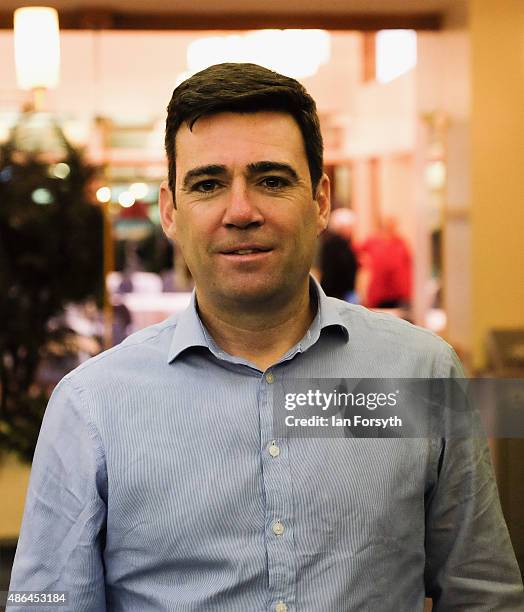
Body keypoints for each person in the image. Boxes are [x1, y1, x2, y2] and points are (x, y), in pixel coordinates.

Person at [9, 63, 523, 611]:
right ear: (169, 211)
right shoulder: (92, 405)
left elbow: (480, 593)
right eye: (207, 184)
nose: (241, 211)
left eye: (272, 181)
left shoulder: (420, 372)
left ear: (320, 200)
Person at [360, 215, 412, 309]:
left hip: (398, 290)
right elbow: (358, 252)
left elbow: (408, 264)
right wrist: (364, 262)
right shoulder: (373, 240)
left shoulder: (400, 242)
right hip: (379, 290)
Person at [320, 208, 359, 303]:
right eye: (349, 227)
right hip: (336, 292)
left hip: (343, 292)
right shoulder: (334, 245)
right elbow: (332, 270)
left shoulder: (345, 244)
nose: (351, 231)